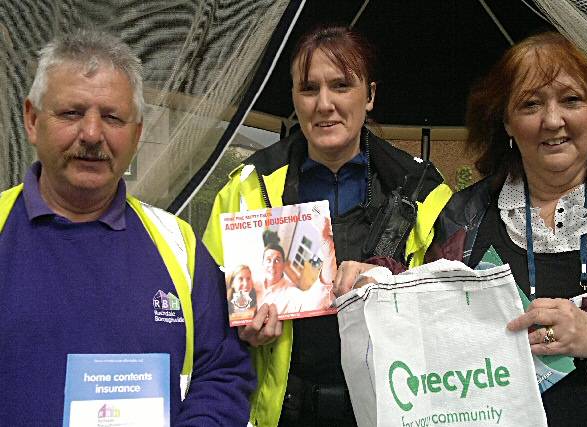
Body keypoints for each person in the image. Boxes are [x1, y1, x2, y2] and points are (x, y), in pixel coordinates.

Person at [0, 29, 255, 425]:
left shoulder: (179, 247)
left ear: (136, 136)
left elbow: (223, 373)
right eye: (71, 113)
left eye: (113, 117)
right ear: (32, 120)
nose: (91, 134)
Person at [203, 25, 451, 427]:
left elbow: (451, 311)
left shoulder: (423, 193)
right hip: (284, 411)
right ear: (295, 100)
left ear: (369, 96)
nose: (324, 104)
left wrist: (394, 283)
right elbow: (206, 311)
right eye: (308, 89)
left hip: (393, 407)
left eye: (340, 85)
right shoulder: (247, 188)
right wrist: (239, 330)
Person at [428, 32, 587, 426]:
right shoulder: (462, 219)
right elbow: (431, 336)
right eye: (530, 104)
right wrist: (378, 276)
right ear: (506, 122)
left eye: (572, 99)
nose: (553, 120)